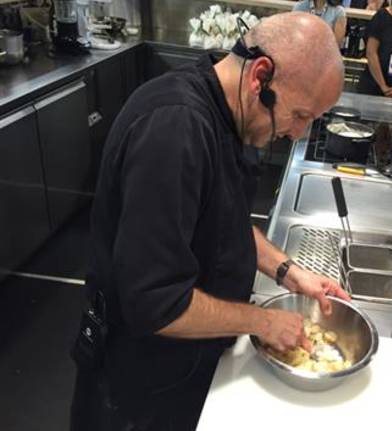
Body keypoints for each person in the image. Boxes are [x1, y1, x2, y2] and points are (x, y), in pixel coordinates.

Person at [70, 12, 348, 431]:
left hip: (185, 368)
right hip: (137, 389)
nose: (299, 134)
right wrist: (264, 321)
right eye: (301, 114)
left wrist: (288, 272)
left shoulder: (229, 112)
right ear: (261, 75)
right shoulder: (173, 130)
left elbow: (224, 220)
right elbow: (156, 303)